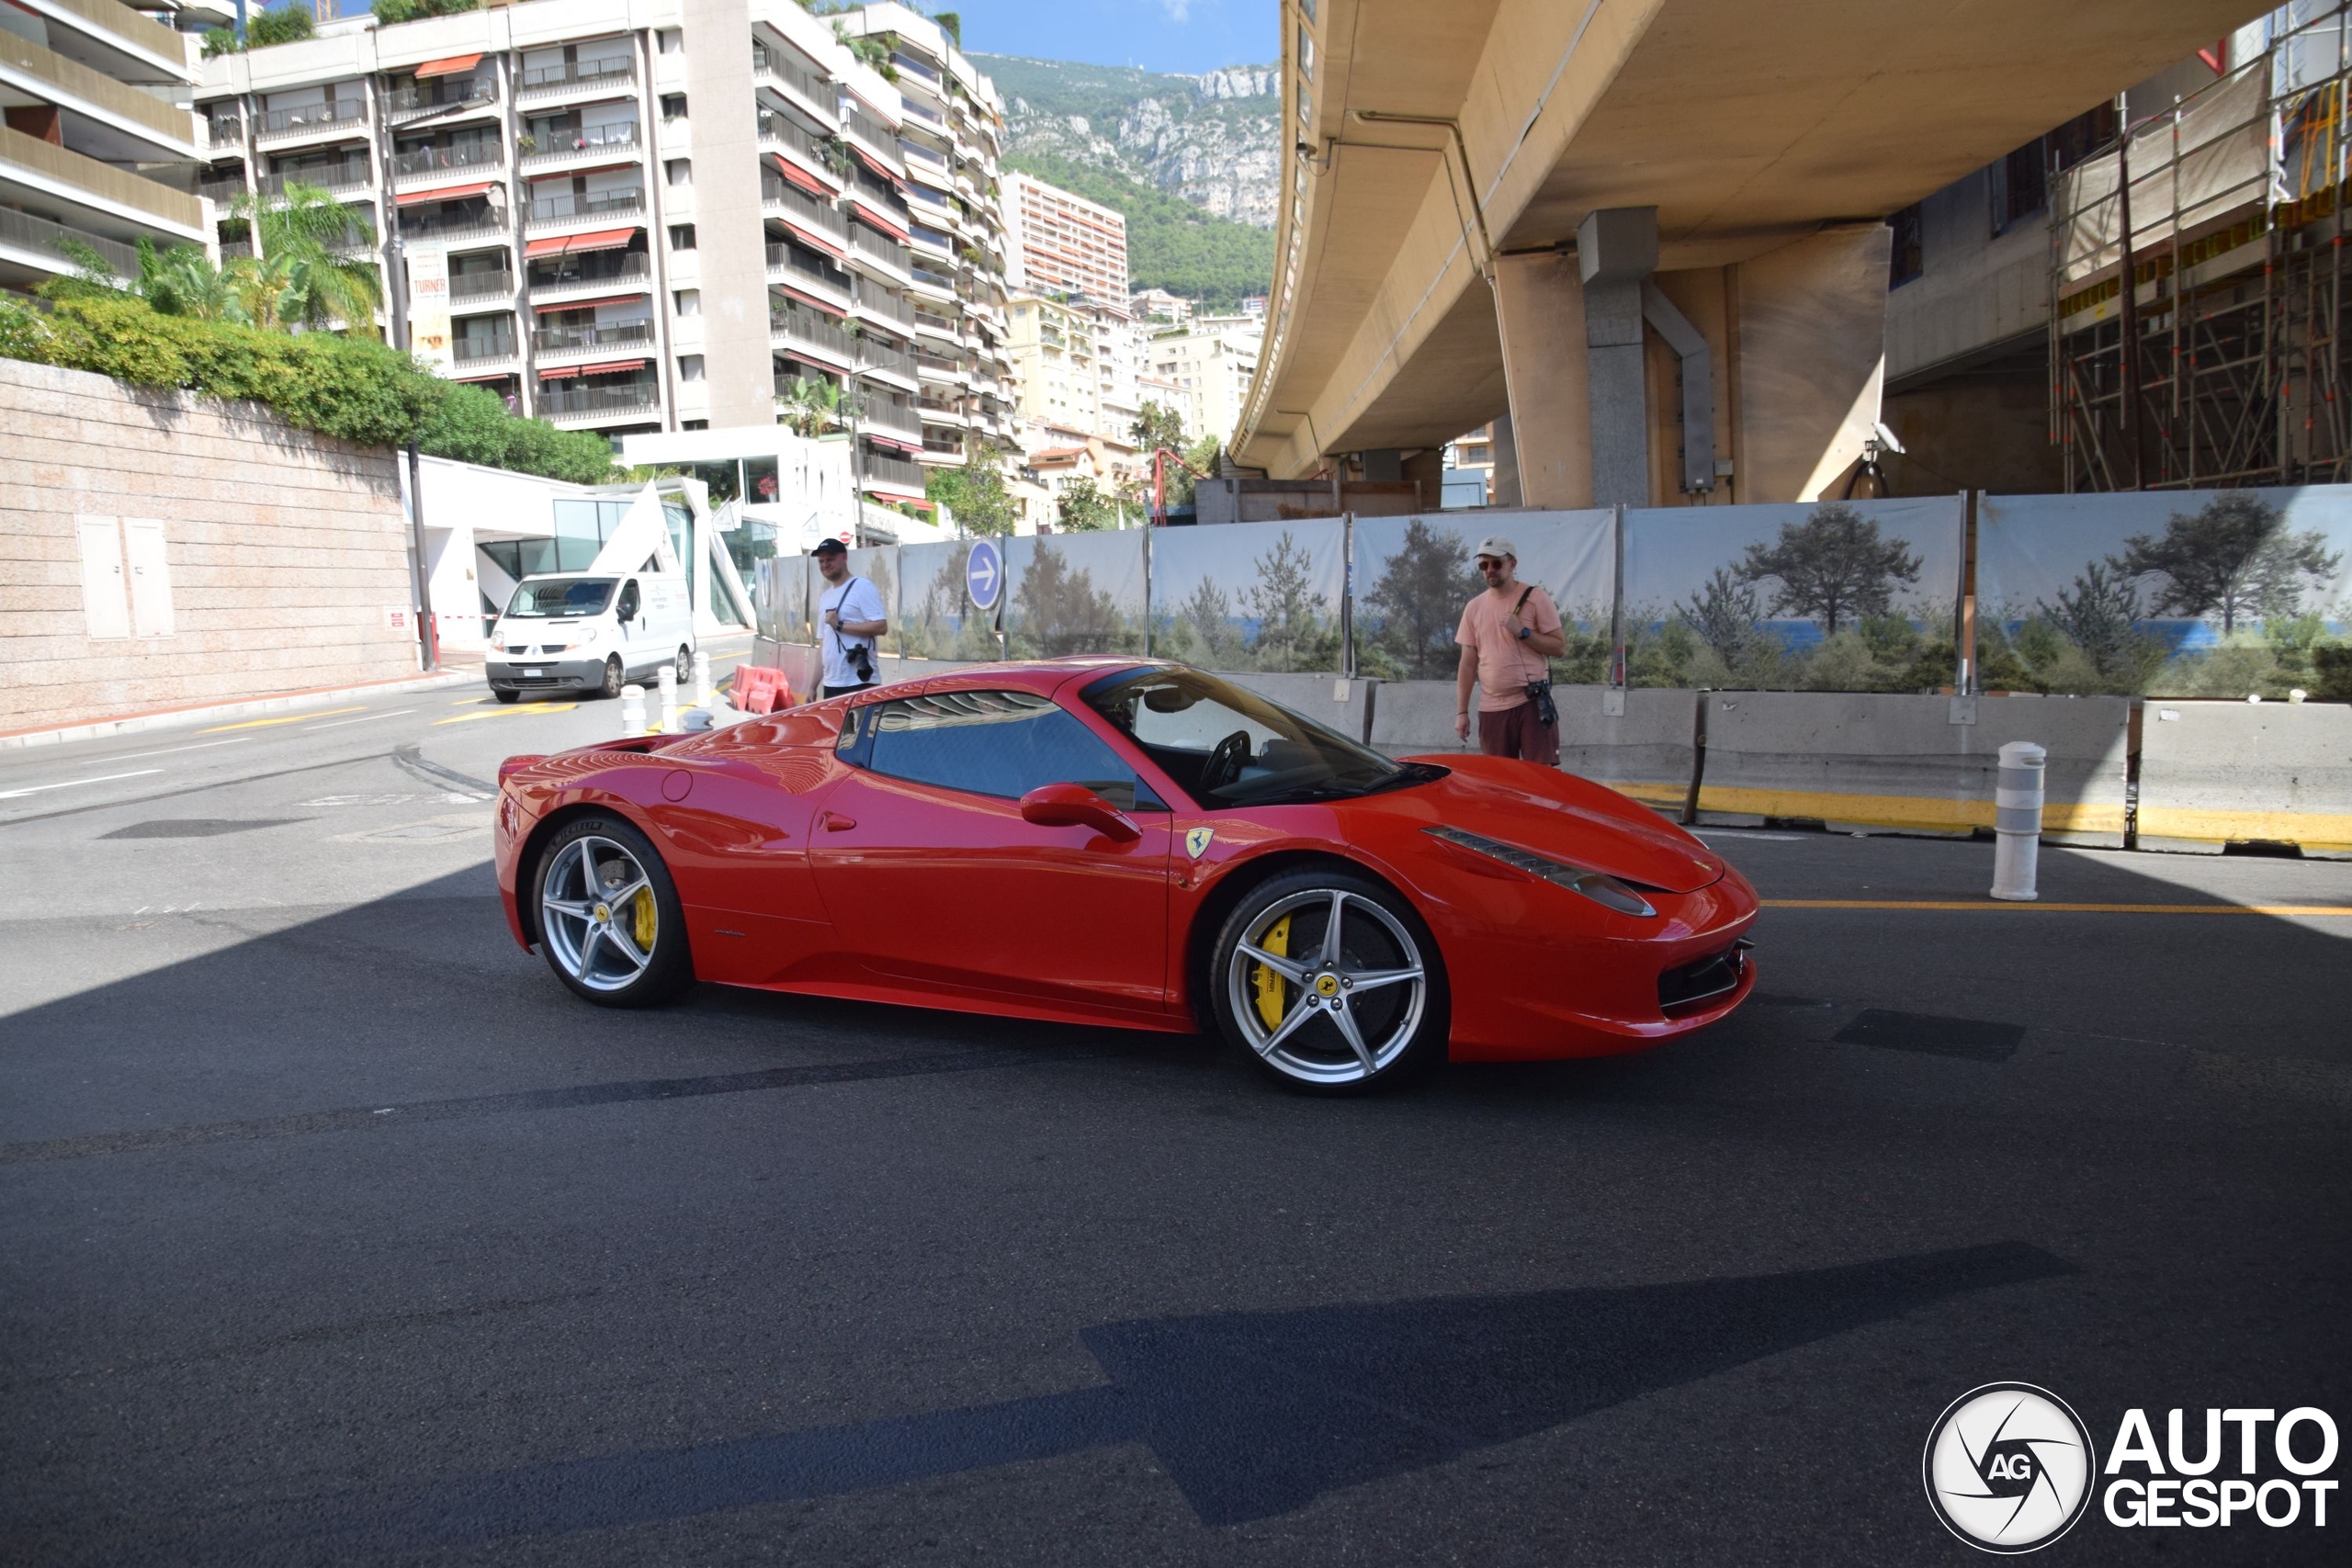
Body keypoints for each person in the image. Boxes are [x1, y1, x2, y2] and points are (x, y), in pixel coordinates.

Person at [1453, 535, 1566, 763]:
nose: (1490, 570)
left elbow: (1559, 647)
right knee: (1500, 781)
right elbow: (1467, 663)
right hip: (1492, 708)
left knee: (1540, 778)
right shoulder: (1474, 607)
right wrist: (1462, 712)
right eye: (1484, 565)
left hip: (1531, 703)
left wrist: (1523, 632)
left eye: (1496, 563)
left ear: (1512, 564)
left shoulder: (1535, 597)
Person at [814, 537, 888, 698]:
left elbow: (881, 626)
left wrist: (840, 625)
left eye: (830, 559)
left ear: (844, 557)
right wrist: (812, 686)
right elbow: (823, 644)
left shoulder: (862, 587)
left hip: (859, 681)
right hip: (831, 684)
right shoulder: (825, 597)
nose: (825, 564)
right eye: (821, 561)